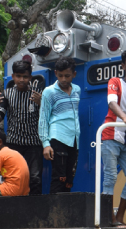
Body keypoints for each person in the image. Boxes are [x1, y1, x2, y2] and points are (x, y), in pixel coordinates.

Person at [100, 49, 126, 227]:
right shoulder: (115, 81)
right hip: (110, 136)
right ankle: (108, 218)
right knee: (110, 177)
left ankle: (119, 217)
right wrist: (125, 118)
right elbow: (111, 102)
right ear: (123, 65)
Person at [0, 58, 45, 194]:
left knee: (35, 178)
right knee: (12, 178)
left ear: (30, 77)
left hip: (34, 144)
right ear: (13, 76)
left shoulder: (38, 93)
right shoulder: (7, 94)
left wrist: (42, 104)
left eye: (25, 77)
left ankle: (35, 210)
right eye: (18, 76)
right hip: (14, 144)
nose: (22, 80)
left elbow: (47, 118)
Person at [39, 57, 80, 194]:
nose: (63, 79)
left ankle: (64, 213)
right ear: (55, 73)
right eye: (60, 75)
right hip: (57, 137)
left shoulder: (77, 90)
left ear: (74, 74)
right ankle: (54, 214)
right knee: (59, 178)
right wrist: (46, 143)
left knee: (69, 181)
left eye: (67, 76)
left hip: (74, 139)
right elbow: (43, 118)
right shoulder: (49, 92)